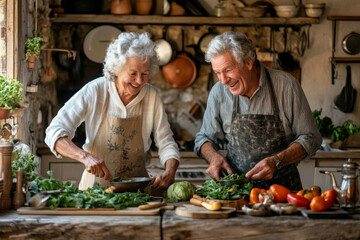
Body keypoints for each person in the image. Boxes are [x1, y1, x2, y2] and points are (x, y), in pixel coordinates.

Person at [45, 32, 180, 191]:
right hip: (95, 191)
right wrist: (85, 157)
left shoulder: (152, 96)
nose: (139, 81)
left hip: (137, 191)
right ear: (116, 69)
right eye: (133, 73)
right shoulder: (95, 91)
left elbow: (166, 141)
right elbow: (54, 132)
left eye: (145, 74)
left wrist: (170, 172)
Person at [194, 31, 322, 191]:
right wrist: (214, 158)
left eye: (227, 70)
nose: (223, 80)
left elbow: (311, 138)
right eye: (217, 73)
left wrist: (277, 160)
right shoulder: (218, 92)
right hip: (236, 194)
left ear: (248, 62)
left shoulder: (286, 86)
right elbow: (203, 138)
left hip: (283, 195)